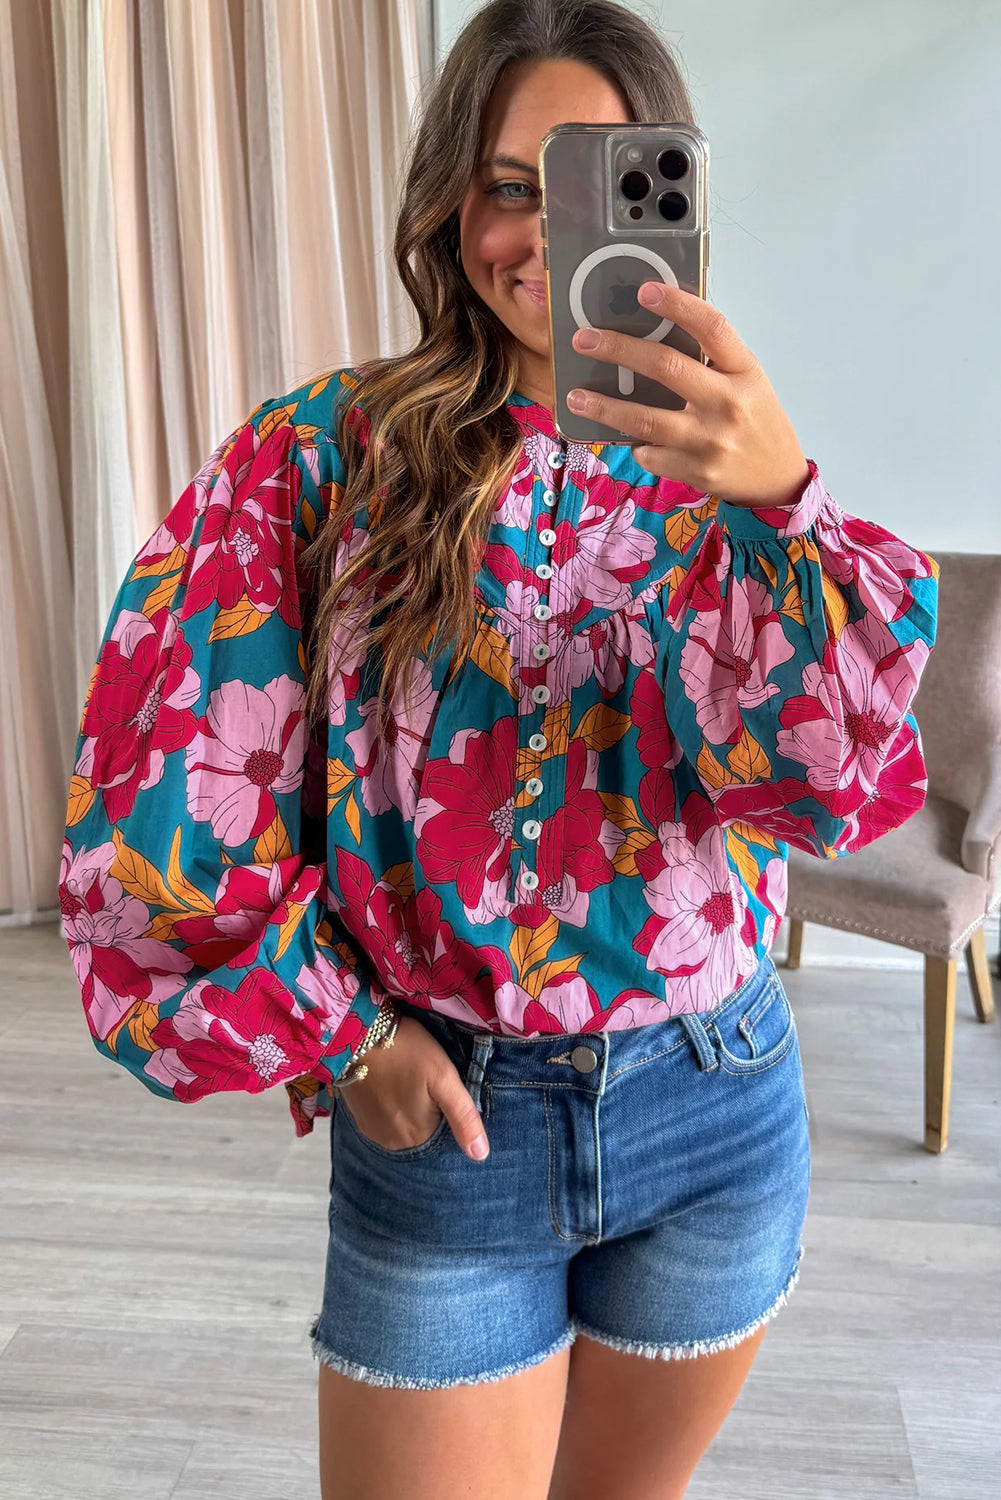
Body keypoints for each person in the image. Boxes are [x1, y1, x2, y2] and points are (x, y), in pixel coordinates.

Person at [58, 2, 938, 1496]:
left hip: (713, 1105)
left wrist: (780, 500)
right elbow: (166, 787)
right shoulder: (324, 456)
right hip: (445, 1124)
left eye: (597, 181)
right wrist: (347, 1041)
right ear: (446, 202)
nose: (540, 234)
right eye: (508, 184)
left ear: (669, 198)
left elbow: (828, 787)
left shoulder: (735, 473)